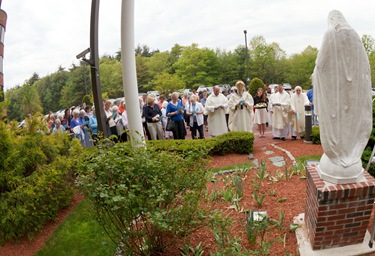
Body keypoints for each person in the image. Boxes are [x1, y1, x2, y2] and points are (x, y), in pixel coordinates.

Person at [312, 10, 372, 183]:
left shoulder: (330, 34)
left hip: (335, 92)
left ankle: (339, 152)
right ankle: (350, 151)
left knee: (337, 121)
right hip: (352, 93)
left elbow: (321, 64)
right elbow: (365, 68)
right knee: (350, 119)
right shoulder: (356, 37)